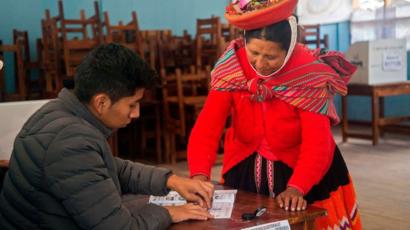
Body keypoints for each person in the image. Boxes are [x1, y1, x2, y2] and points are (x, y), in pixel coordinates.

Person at [0, 43, 214, 230]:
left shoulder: (58, 111)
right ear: (101, 102)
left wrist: (171, 181)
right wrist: (168, 213)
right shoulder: (70, 140)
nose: (136, 113)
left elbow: (111, 167)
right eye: (132, 104)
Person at [187, 0, 361, 229]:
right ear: (245, 42)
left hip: (304, 169)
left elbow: (317, 144)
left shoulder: (308, 73)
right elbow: (206, 129)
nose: (260, 63)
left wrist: (297, 187)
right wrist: (199, 175)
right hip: (244, 162)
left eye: (271, 57)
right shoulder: (231, 67)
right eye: (254, 52)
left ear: (288, 50)